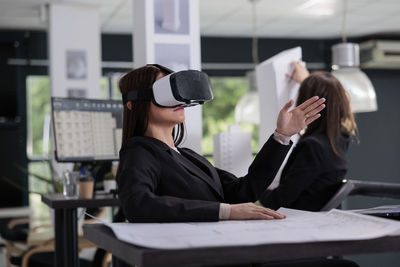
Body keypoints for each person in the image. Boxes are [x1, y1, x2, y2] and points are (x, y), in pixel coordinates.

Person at [116, 64, 325, 223]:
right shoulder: (138, 151)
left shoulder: (188, 156)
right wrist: (226, 212)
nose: (179, 101)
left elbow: (243, 192)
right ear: (133, 105)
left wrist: (282, 136)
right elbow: (138, 205)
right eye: (165, 93)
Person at [259, 62, 357, 211]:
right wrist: (308, 82)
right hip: (326, 224)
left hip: (303, 226)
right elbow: (328, 98)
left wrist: (256, 185)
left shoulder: (313, 147)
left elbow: (277, 201)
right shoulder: (341, 139)